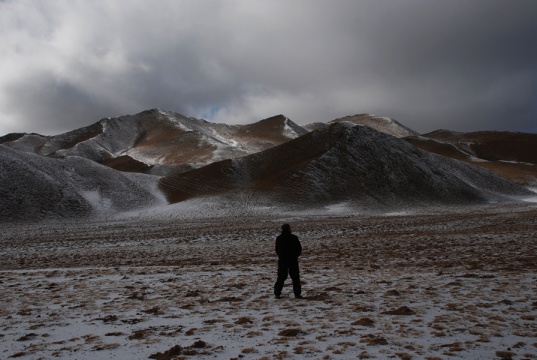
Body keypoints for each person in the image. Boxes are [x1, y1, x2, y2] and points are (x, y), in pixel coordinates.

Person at [274, 223, 302, 299]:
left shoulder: (279, 238)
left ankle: (277, 293)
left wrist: (281, 256)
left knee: (281, 277)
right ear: (289, 229)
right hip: (292, 260)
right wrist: (295, 256)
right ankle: (297, 294)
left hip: (283, 260)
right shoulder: (294, 237)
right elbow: (299, 249)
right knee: (295, 277)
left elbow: (277, 250)